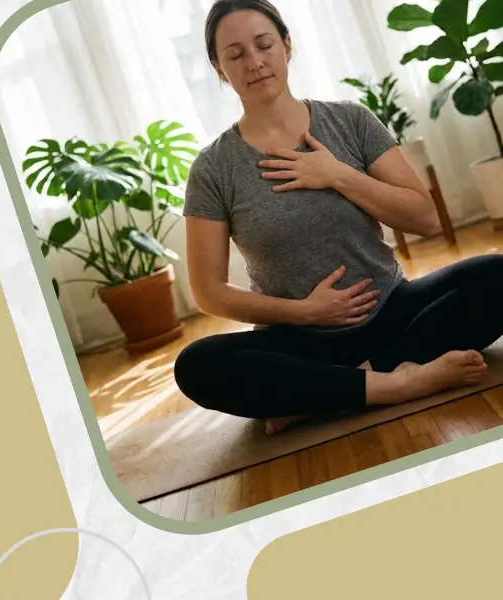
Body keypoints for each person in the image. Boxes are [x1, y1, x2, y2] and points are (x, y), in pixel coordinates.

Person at [173, 0, 503, 434]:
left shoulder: (349, 121)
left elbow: (425, 218)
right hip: (298, 341)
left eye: (264, 44)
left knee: (498, 273)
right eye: (235, 54)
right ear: (219, 69)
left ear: (287, 46)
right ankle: (397, 382)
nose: (254, 62)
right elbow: (209, 293)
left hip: (390, 312)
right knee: (196, 365)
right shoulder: (214, 167)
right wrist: (305, 313)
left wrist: (338, 175)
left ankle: (339, 388)